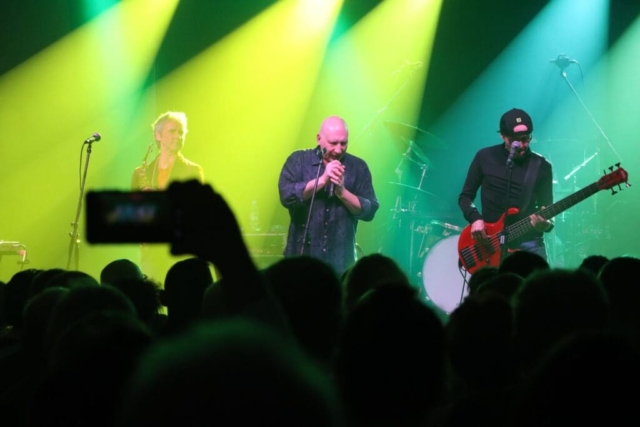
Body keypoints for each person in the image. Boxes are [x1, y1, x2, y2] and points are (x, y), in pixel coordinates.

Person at [278, 116, 379, 276]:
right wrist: (322, 180)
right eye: (333, 143)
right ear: (319, 139)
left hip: (341, 264)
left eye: (343, 143)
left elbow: (370, 211)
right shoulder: (298, 160)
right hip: (301, 260)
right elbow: (286, 196)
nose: (338, 150)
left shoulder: (358, 167)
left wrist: (342, 192)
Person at [458, 108, 553, 261]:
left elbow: (547, 207)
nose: (521, 145)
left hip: (529, 242)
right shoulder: (484, 157)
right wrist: (475, 218)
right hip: (489, 242)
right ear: (502, 136)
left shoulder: (541, 165)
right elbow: (465, 197)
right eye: (514, 140)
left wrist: (547, 224)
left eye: (525, 139)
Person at [130, 111, 204, 282]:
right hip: (151, 253)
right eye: (172, 131)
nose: (178, 136)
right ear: (158, 136)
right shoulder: (140, 173)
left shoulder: (193, 171)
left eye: (181, 132)